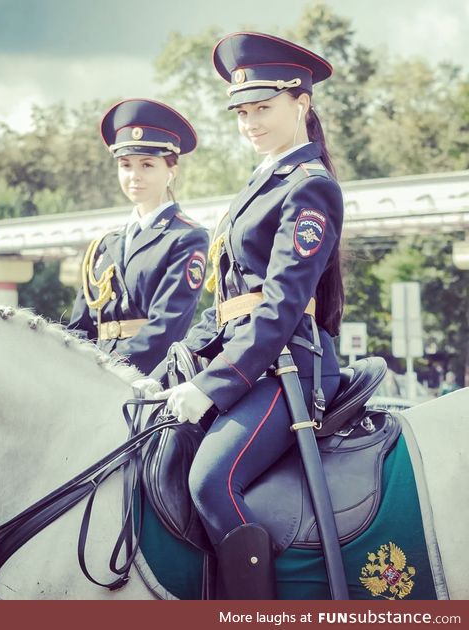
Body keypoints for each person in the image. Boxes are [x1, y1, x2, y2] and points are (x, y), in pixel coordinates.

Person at [139, 32, 344, 599]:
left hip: (289, 369)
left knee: (210, 481)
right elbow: (229, 304)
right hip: (254, 359)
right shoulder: (260, 182)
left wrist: (217, 384)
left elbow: (280, 306)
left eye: (264, 108)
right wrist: (173, 367)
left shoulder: (310, 187)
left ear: (301, 102)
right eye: (243, 112)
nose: (250, 122)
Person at [68, 99, 209, 375]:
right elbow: (79, 326)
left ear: (171, 171)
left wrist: (107, 371)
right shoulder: (105, 244)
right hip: (91, 376)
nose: (134, 176)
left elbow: (166, 327)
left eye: (147, 165)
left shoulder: (186, 237)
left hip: (149, 378)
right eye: (126, 165)